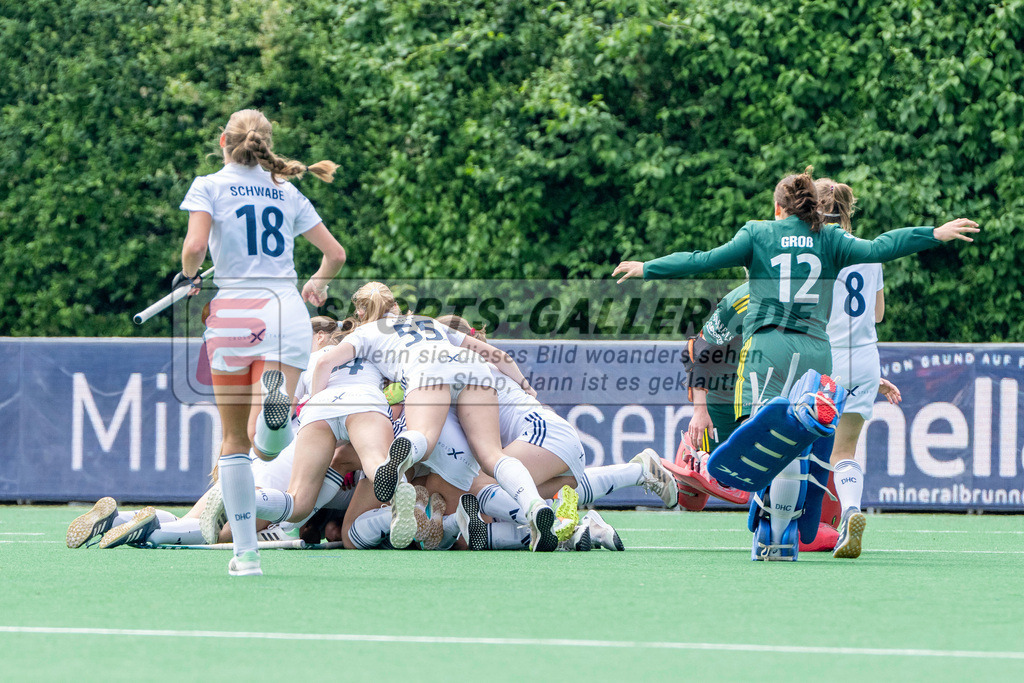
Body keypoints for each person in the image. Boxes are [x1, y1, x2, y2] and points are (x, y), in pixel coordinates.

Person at [613, 167, 978, 559]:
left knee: (760, 437)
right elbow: (881, 248)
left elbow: (703, 260)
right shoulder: (831, 237)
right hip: (819, 351)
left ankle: (753, 511)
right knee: (798, 443)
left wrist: (648, 266)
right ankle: (784, 535)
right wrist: (933, 234)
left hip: (770, 348)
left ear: (777, 208)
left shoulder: (758, 233)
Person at [177, 108, 346, 575]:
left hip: (232, 314)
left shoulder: (207, 186)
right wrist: (319, 284)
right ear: (265, 145)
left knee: (232, 442)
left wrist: (189, 277)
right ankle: (276, 424)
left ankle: (246, 554)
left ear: (223, 141)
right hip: (284, 311)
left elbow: (194, 249)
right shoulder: (287, 190)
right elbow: (335, 254)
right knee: (266, 445)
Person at [816, 178, 903, 558]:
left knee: (804, 443)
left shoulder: (817, 253)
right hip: (866, 357)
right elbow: (878, 314)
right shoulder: (870, 253)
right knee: (845, 449)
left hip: (827, 355)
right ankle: (850, 509)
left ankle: (785, 527)